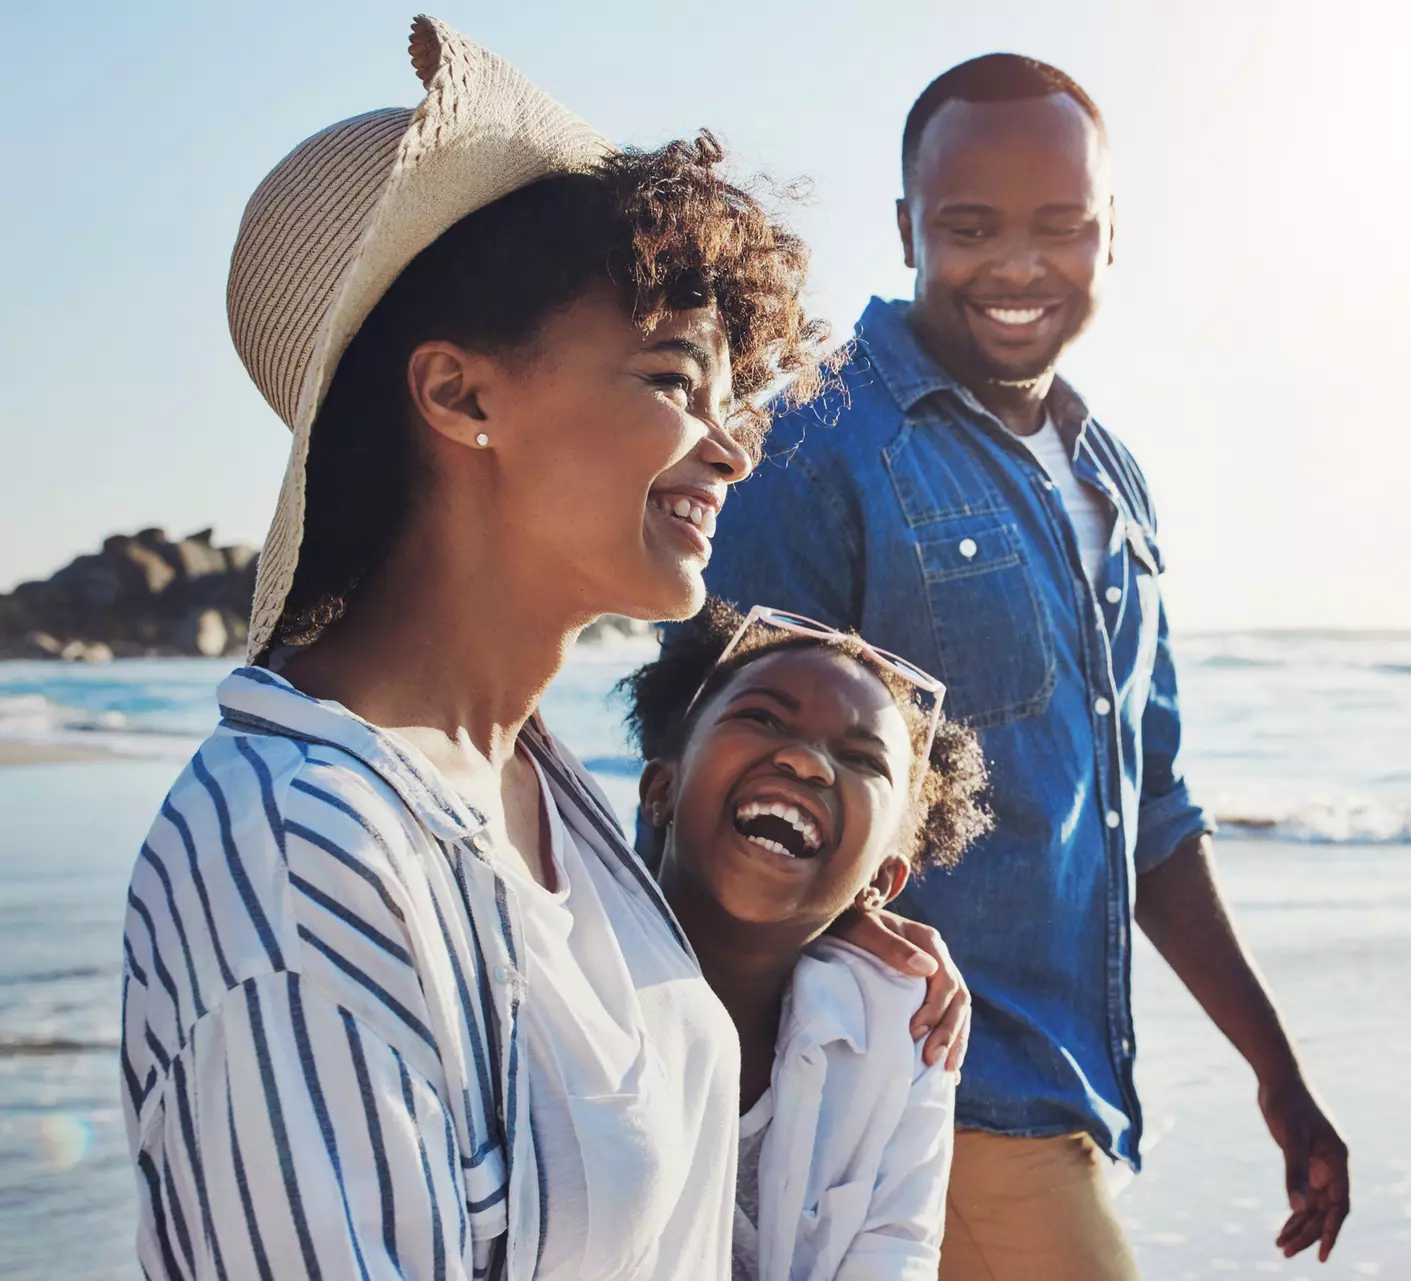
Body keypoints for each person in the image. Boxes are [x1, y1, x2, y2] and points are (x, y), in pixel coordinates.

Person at [117, 20, 968, 1280]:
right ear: (463, 398)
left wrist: (819, 941)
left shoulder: (536, 795)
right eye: (679, 381)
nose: (734, 449)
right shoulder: (302, 855)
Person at [683, 54, 1352, 1276]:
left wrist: (1277, 1072)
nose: (1018, 263)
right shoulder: (820, 446)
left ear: (1109, 232)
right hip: (918, 1096)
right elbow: (704, 781)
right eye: (970, 226)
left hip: (1074, 1092)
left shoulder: (1112, 475)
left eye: (1060, 224)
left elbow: (1148, 812)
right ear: (905, 230)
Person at [622, 602, 993, 1280]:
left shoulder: (907, 1027)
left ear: (880, 879)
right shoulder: (563, 972)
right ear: (660, 791)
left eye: (860, 757)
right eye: (761, 717)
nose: (805, 760)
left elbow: (896, 1253)